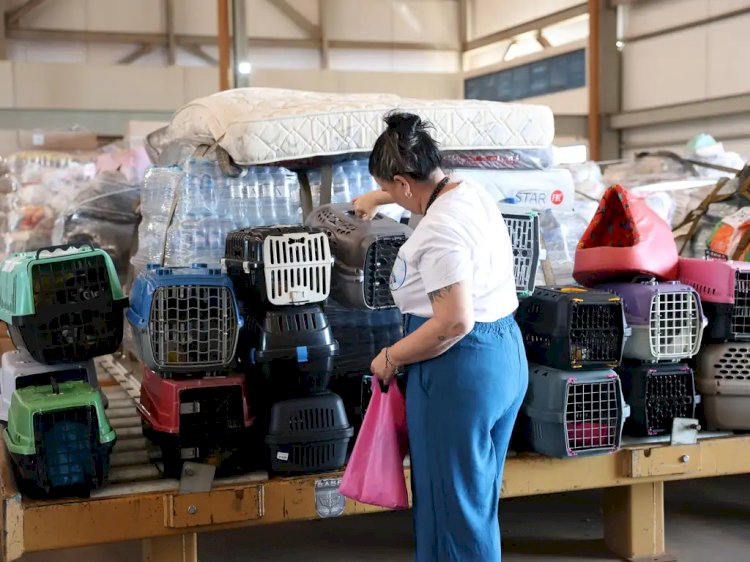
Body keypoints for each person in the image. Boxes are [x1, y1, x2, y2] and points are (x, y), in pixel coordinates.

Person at [353, 111, 528, 562]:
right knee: (472, 500)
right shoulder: (467, 191)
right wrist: (378, 196)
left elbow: (452, 322)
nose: (393, 196)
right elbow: (426, 194)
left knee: (452, 510)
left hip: (458, 369)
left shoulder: (439, 232)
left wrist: (390, 357)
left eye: (392, 188)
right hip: (505, 353)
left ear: (405, 183)